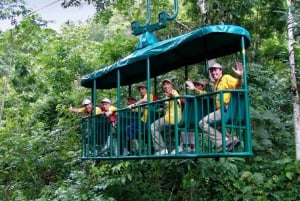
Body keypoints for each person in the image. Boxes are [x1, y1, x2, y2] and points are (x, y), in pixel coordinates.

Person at [199, 62, 242, 152]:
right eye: (212, 71)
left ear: (221, 70)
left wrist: (240, 77)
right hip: (223, 110)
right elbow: (210, 96)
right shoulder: (216, 84)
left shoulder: (226, 78)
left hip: (226, 110)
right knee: (217, 126)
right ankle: (232, 139)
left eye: (215, 70)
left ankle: (222, 143)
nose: (213, 73)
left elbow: (237, 85)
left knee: (202, 123)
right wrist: (200, 89)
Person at [150, 79, 182, 155]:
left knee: (153, 126)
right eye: (164, 84)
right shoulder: (167, 95)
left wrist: (170, 95)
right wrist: (161, 109)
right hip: (171, 117)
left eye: (168, 84)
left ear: (171, 85)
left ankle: (160, 149)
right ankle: (173, 149)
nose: (166, 86)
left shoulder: (174, 92)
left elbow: (173, 96)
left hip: (172, 118)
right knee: (164, 132)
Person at [126, 84, 155, 154]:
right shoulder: (142, 98)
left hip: (148, 121)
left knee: (134, 130)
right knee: (128, 128)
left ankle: (145, 147)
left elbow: (144, 100)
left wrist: (134, 104)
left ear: (146, 89)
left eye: (142, 89)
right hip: (143, 120)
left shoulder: (149, 95)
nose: (141, 90)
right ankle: (138, 147)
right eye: (140, 89)